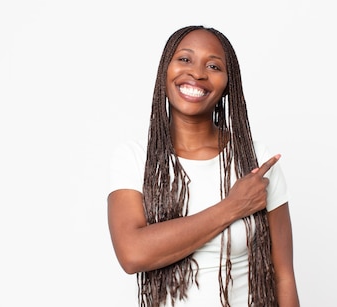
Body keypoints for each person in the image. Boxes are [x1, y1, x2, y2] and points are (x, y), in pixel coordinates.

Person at [107, 25, 300, 307]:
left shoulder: (255, 162)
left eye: (213, 65)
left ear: (226, 85)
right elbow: (133, 253)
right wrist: (234, 206)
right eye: (185, 59)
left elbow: (283, 276)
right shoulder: (135, 158)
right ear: (165, 73)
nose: (197, 73)